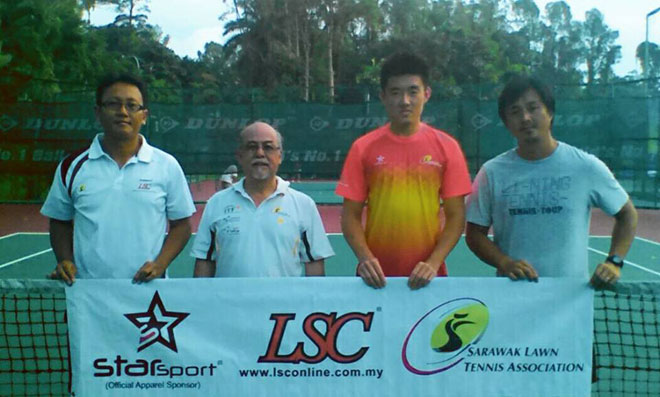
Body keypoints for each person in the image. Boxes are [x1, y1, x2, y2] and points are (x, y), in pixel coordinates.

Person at [465, 75, 638, 287]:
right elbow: (474, 235)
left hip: (569, 300)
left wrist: (614, 262)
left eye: (533, 108)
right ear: (506, 122)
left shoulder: (586, 166)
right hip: (512, 297)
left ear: (550, 112)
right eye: (515, 111)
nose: (526, 117)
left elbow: (627, 214)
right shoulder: (491, 172)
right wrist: (504, 262)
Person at [40, 74, 195, 285]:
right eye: (113, 104)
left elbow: (182, 225)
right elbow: (59, 220)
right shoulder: (72, 166)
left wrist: (160, 264)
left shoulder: (167, 166)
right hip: (87, 293)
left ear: (144, 115)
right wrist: (65, 259)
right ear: (98, 112)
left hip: (149, 294)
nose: (122, 112)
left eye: (132, 105)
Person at [335, 52, 472, 290]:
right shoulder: (363, 148)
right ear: (383, 96)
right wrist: (365, 258)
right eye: (396, 92)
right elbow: (350, 215)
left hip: (429, 280)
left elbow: (456, 217)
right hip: (374, 281)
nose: (405, 101)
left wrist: (433, 262)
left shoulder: (447, 147)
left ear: (426, 94)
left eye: (413, 91)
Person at [191, 122, 334, 277]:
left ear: (279, 156)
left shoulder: (303, 204)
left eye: (268, 147)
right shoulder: (216, 203)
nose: (260, 153)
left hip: (285, 302)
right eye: (252, 147)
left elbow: (314, 267)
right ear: (239, 155)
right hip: (230, 302)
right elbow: (204, 263)